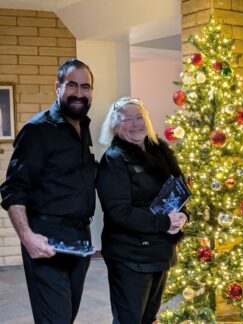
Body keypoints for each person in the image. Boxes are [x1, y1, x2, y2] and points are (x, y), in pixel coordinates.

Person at [0, 58, 96, 323]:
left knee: (66, 315)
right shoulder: (37, 130)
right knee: (55, 319)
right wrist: (28, 237)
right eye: (72, 85)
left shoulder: (83, 127)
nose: (79, 93)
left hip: (80, 239)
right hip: (47, 238)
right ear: (58, 87)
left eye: (85, 87)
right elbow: (13, 189)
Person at [96, 97, 187, 324]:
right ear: (116, 125)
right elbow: (119, 212)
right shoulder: (114, 159)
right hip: (129, 256)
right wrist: (165, 223)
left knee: (148, 318)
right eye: (127, 119)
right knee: (129, 320)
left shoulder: (161, 152)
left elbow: (179, 192)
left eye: (139, 117)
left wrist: (184, 216)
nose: (135, 124)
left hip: (160, 252)